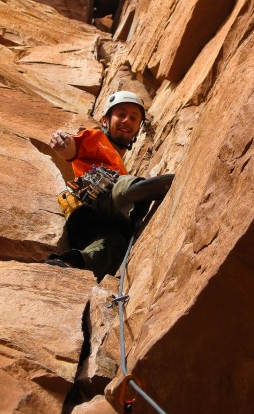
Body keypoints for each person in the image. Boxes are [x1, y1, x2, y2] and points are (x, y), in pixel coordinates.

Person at [46, 90, 174, 281]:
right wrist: (64, 144)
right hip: (92, 202)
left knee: (115, 244)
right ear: (105, 120)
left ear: (138, 129)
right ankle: (138, 190)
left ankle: (70, 264)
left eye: (133, 118)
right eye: (121, 114)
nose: (126, 121)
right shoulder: (96, 138)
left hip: (94, 226)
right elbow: (72, 148)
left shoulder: (120, 164)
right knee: (119, 187)